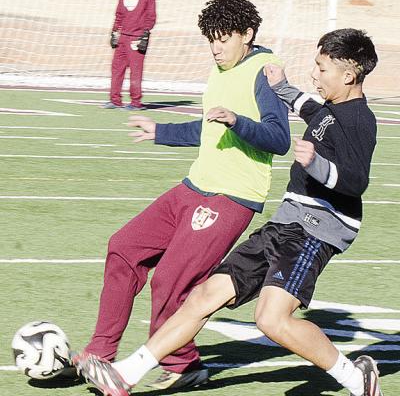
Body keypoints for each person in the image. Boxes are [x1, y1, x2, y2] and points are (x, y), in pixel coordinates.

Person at [74, 28, 383, 396]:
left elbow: (355, 181)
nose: (314, 74)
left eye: (322, 68)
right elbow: (309, 108)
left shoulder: (360, 120)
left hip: (315, 231)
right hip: (285, 223)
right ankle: (124, 374)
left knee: (271, 319)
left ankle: (355, 378)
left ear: (348, 75)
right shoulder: (331, 110)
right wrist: (283, 88)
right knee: (202, 296)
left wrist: (316, 164)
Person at [73, 0, 290, 391]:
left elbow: (279, 138)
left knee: (171, 279)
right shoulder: (220, 69)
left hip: (230, 198)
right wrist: (161, 133)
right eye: (211, 39)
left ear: (248, 35)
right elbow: (207, 130)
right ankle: (99, 352)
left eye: (224, 39)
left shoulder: (264, 72)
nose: (216, 47)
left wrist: (237, 120)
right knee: (124, 246)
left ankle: (183, 363)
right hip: (193, 187)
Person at [103, 0, 156, 111]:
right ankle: (115, 100)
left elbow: (151, 15)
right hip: (122, 37)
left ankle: (135, 102)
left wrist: (145, 33)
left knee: (135, 70)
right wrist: (115, 31)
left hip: (137, 38)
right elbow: (119, 14)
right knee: (117, 68)